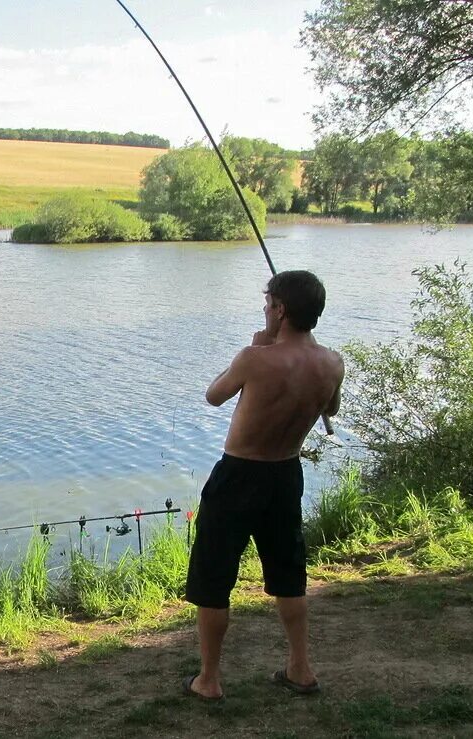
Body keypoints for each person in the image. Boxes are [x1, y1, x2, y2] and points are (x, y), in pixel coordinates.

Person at [183, 270, 344, 701]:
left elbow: (213, 396)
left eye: (268, 302)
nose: (265, 308)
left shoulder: (254, 359)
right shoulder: (332, 362)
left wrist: (257, 347)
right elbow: (330, 405)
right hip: (285, 477)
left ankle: (210, 680)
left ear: (280, 310)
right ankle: (301, 668)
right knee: (289, 573)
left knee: (215, 577)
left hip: (239, 475)